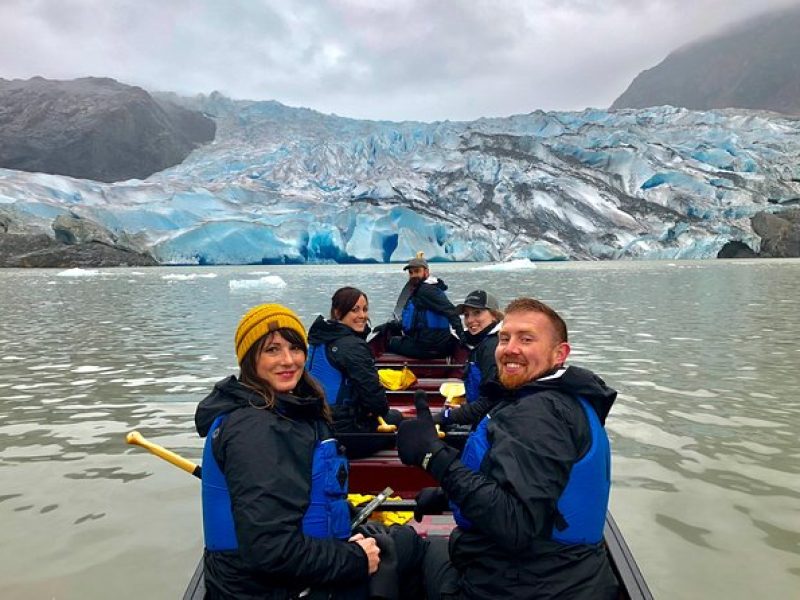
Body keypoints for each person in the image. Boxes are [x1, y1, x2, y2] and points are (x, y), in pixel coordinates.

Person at [396, 297, 619, 600]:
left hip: (520, 585)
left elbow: (516, 525)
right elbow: (527, 484)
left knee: (399, 549)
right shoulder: (560, 399)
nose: (510, 348)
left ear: (559, 354)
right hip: (565, 575)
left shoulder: (538, 414)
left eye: (526, 339)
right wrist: (446, 496)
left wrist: (433, 457)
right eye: (504, 338)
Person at [194, 303, 380, 599]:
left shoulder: (283, 410)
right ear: (248, 359)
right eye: (272, 350)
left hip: (284, 579)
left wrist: (341, 515)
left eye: (295, 348)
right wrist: (355, 559)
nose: (288, 360)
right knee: (406, 560)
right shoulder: (255, 429)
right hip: (268, 589)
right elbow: (271, 550)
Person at [307, 287, 404, 458]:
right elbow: (376, 402)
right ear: (338, 313)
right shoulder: (352, 346)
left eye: (365, 309)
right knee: (398, 420)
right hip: (343, 434)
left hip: (313, 425)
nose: (362, 315)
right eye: (355, 310)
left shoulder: (318, 340)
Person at [436, 290, 503, 429]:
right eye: (466, 315)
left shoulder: (493, 348)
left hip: (492, 424)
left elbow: (490, 402)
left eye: (477, 313)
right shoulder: (480, 343)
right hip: (483, 418)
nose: (470, 320)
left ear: (494, 316)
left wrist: (446, 416)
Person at [386, 254, 464, 359]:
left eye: (417, 271)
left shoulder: (426, 290)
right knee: (394, 331)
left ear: (426, 272)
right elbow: (415, 320)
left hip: (429, 349)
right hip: (437, 345)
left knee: (390, 342)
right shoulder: (427, 288)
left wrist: (462, 335)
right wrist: (392, 325)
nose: (413, 275)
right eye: (411, 272)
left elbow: (450, 310)